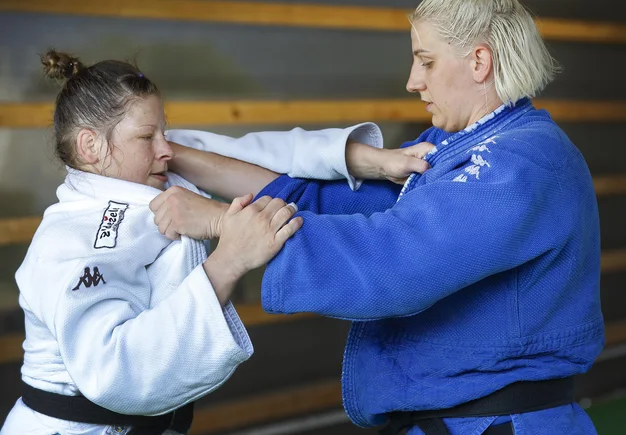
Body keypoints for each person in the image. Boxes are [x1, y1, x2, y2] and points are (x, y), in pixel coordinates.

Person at [152, 0, 604, 435]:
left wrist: (221, 222)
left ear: (479, 62)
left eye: (426, 61)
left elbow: (392, 263)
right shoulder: (452, 146)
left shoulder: (524, 161)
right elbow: (328, 205)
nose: (413, 81)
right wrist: (171, 155)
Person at [1, 51, 430, 435]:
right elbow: (115, 369)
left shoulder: (154, 167)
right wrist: (228, 262)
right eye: (147, 137)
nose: (166, 148)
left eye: (164, 132)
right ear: (91, 145)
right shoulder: (73, 240)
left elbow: (264, 153)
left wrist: (371, 160)